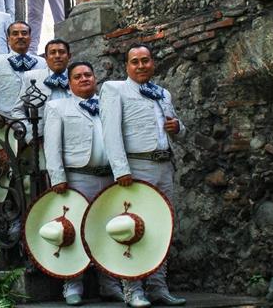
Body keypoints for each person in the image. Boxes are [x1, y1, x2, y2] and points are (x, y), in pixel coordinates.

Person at [99, 42, 187, 308]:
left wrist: (178, 127)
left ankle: (158, 287)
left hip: (163, 166)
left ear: (152, 63)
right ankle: (132, 289)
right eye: (135, 61)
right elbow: (110, 133)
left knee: (163, 226)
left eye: (145, 60)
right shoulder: (115, 90)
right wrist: (121, 170)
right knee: (132, 226)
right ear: (127, 65)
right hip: (136, 168)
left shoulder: (162, 93)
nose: (140, 65)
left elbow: (175, 129)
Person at [44, 62, 125, 306]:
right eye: (77, 76)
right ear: (69, 83)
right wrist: (57, 177)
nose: (83, 79)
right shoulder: (57, 107)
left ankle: (110, 283)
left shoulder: (110, 105)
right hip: (78, 176)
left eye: (88, 75)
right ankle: (72, 284)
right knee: (74, 230)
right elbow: (52, 146)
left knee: (110, 228)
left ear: (95, 78)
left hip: (111, 176)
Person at [10, 38, 72, 141]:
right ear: (46, 57)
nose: (57, 56)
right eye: (52, 53)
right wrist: (31, 134)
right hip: (42, 140)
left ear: (69, 56)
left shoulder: (78, 77)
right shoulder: (31, 77)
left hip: (75, 138)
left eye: (61, 52)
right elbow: (17, 111)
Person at [0, 21, 47, 115]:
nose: (20, 36)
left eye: (24, 33)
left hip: (35, 120)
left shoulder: (42, 63)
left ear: (30, 38)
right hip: (6, 121)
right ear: (8, 39)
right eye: (15, 34)